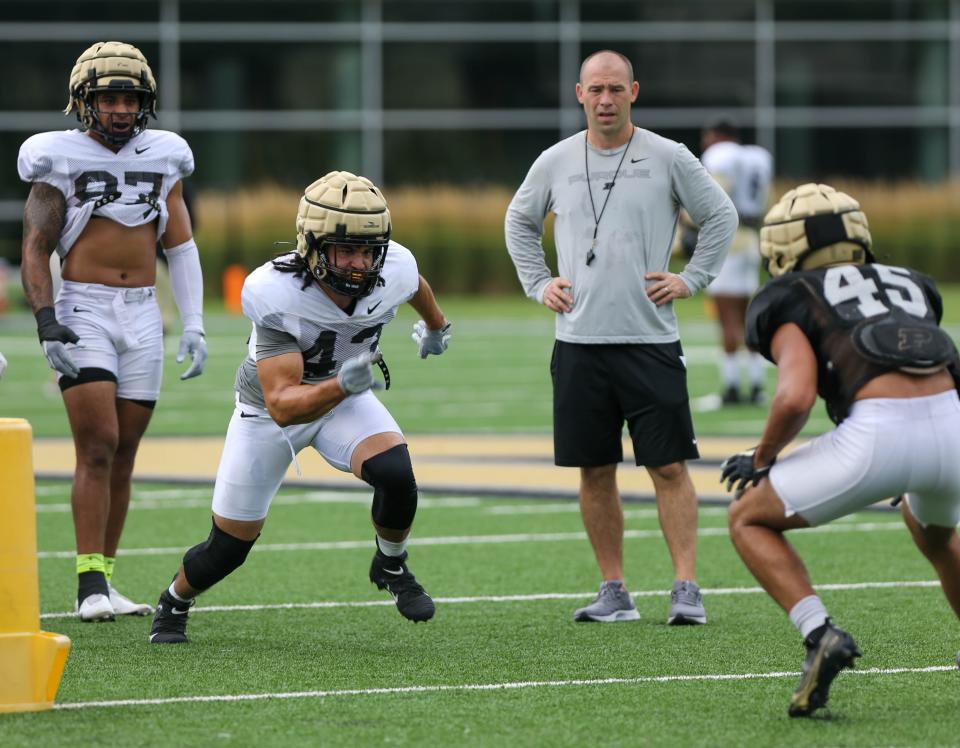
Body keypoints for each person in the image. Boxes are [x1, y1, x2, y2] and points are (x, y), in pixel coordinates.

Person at [149, 171, 452, 644]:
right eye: (345, 250)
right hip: (269, 414)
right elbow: (285, 405)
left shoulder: (394, 267)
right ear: (312, 247)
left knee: (396, 472)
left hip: (343, 399)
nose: (359, 263)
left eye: (369, 250)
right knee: (228, 547)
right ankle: (174, 600)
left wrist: (436, 326)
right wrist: (342, 384)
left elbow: (414, 285)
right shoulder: (275, 292)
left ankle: (391, 564)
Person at [505, 50, 737, 625]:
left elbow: (722, 216)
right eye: (595, 90)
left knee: (669, 467)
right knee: (595, 469)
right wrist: (538, 283)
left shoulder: (668, 156)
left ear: (634, 91)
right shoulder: (555, 160)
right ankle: (614, 590)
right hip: (579, 343)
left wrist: (692, 279)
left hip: (649, 342)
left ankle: (686, 587)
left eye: (616, 89)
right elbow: (519, 221)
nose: (605, 100)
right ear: (578, 94)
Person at [722, 183, 960, 716]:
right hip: (954, 428)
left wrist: (762, 459)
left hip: (878, 434)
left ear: (782, 249)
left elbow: (795, 396)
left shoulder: (790, 296)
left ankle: (818, 635)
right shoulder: (912, 284)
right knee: (937, 536)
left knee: (746, 520)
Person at [18, 41, 208, 622]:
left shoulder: (165, 154)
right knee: (96, 445)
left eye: (131, 98)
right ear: (84, 102)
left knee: (124, 453)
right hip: (86, 308)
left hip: (143, 311)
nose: (122, 109)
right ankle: (87, 584)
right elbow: (35, 246)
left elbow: (181, 245)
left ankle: (107, 579)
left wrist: (195, 322)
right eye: (110, 98)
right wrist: (47, 323)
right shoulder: (59, 156)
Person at [699, 118, 773, 405]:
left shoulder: (721, 155)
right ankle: (756, 386)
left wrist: (689, 225)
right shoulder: (757, 157)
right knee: (747, 317)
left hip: (728, 241)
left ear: (716, 135)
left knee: (726, 318)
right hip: (751, 237)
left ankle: (731, 388)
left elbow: (714, 199)